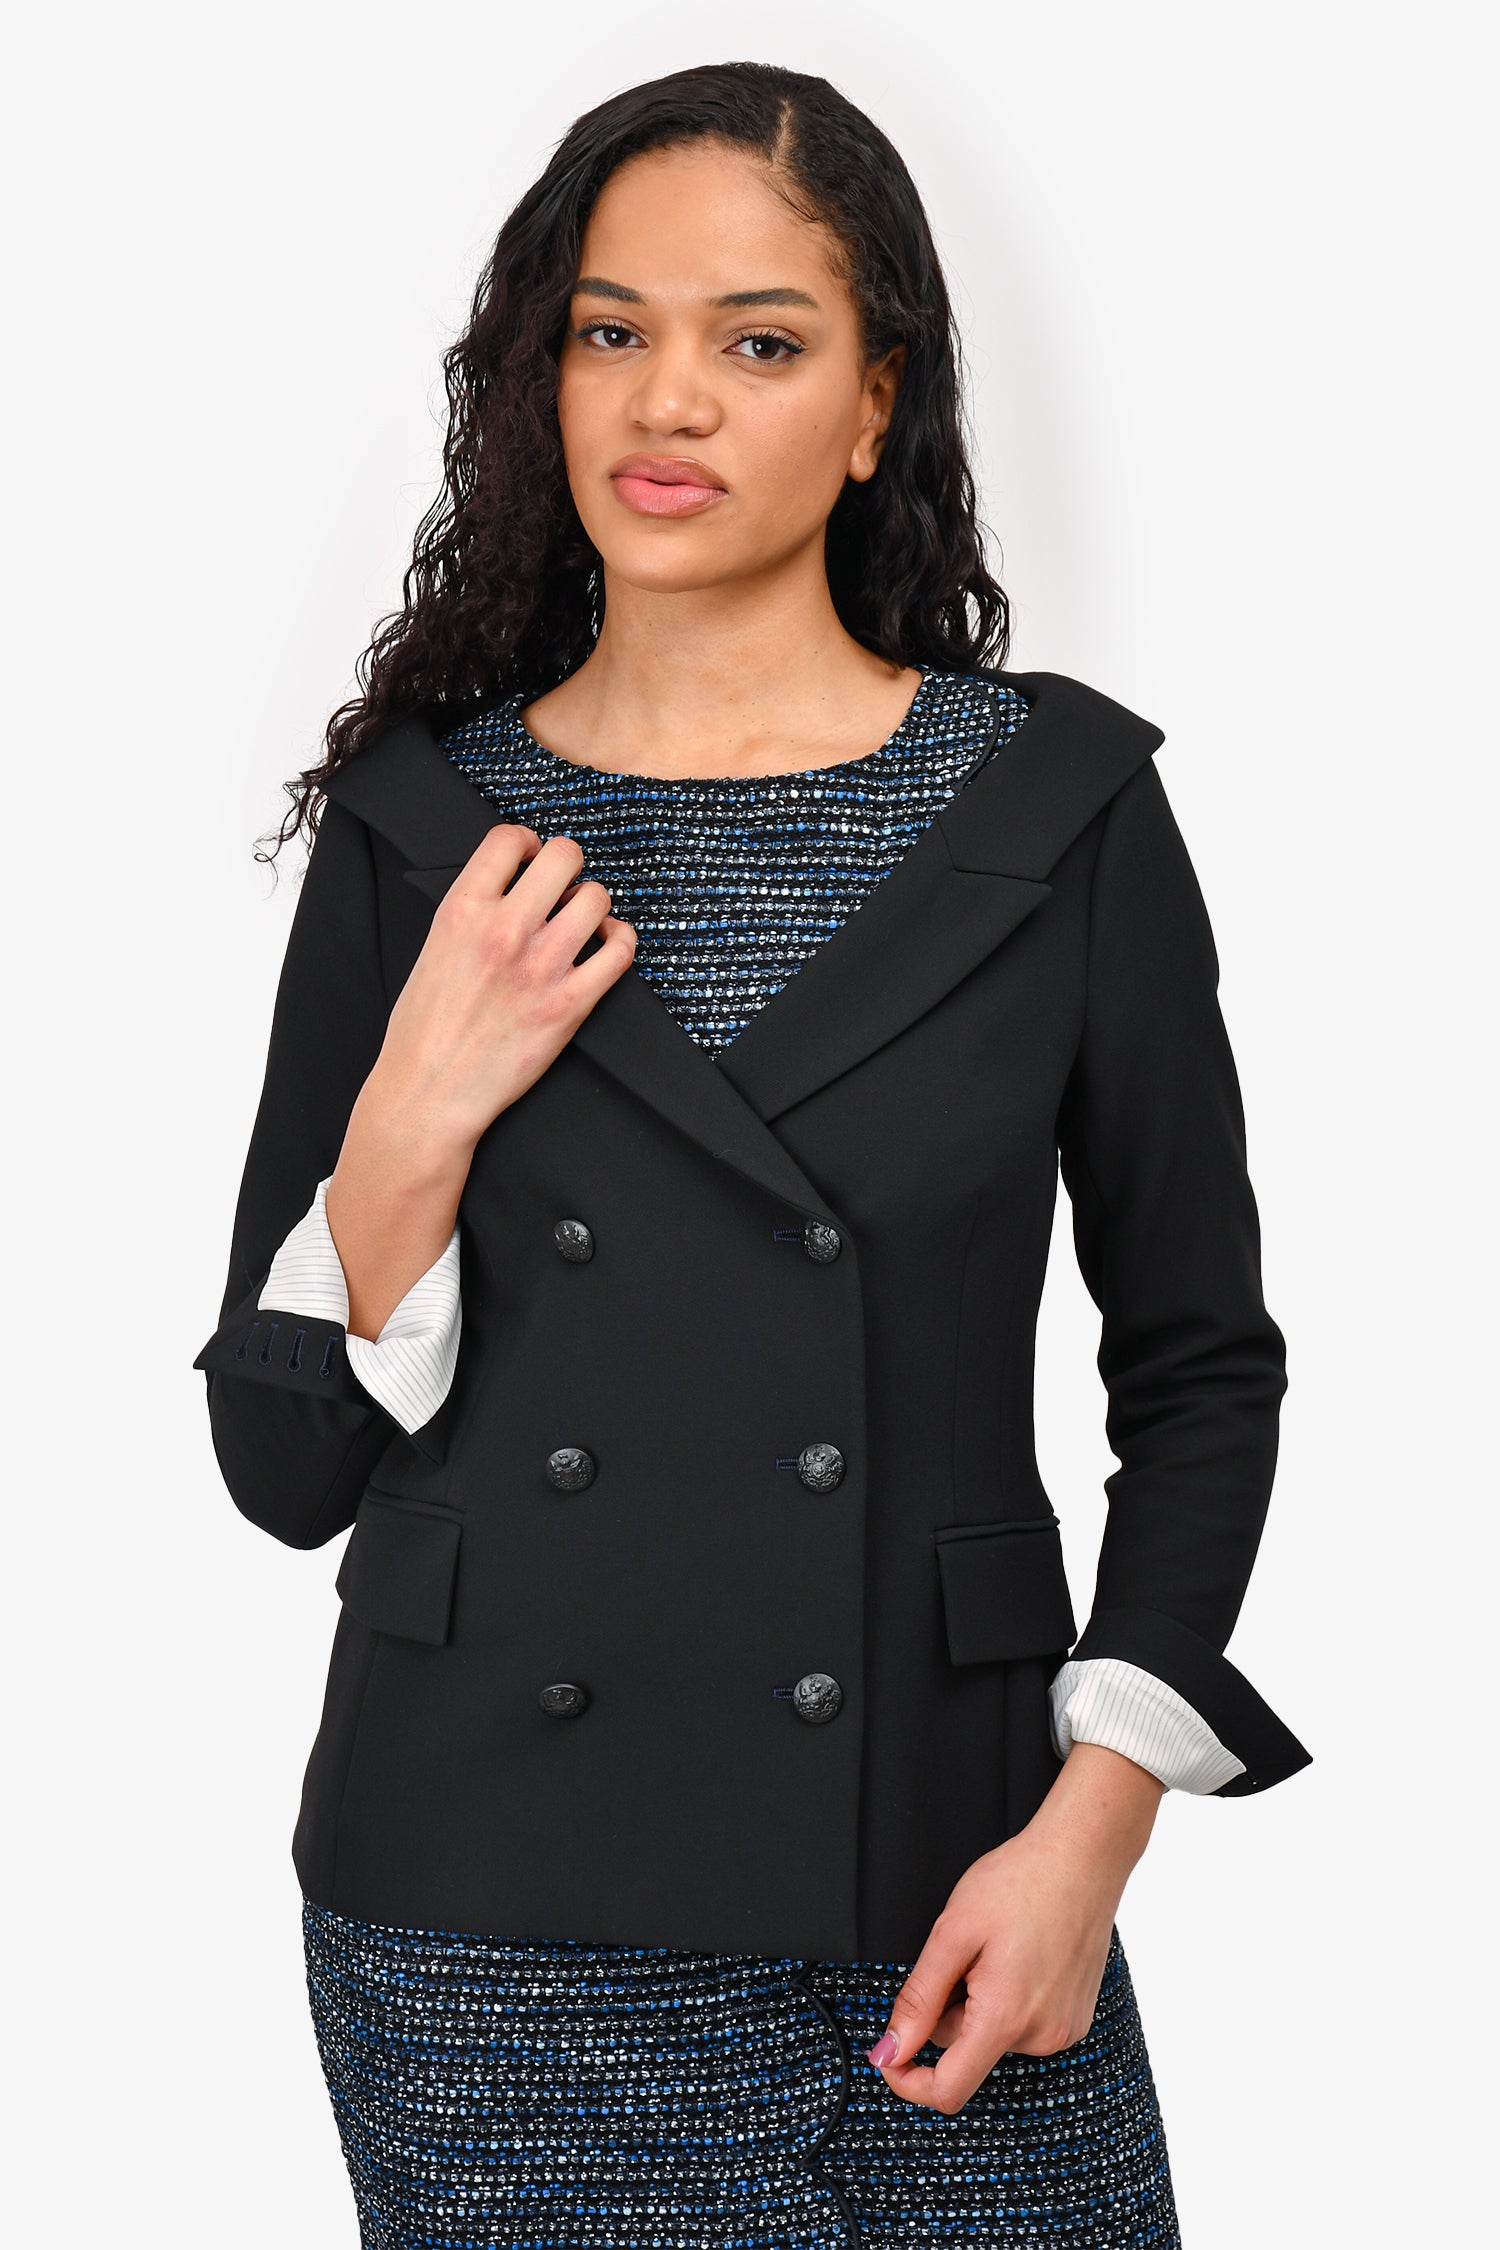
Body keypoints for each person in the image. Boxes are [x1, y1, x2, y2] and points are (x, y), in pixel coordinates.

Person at [194, 58, 1310, 2248]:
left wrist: (1090, 1834)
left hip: (955, 1873)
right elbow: (279, 1468)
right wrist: (415, 1109)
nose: (667, 398)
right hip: (489, 1923)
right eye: (610, 329)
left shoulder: (1056, 810)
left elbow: (1199, 1369)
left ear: (880, 406)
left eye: (761, 341)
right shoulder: (423, 832)